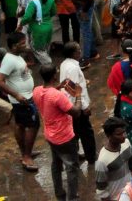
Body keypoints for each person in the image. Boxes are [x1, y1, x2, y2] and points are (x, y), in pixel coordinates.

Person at [33, 62, 84, 201]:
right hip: (64, 137)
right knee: (72, 167)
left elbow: (47, 94)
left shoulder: (37, 90)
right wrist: (78, 95)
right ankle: (72, 197)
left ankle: (59, 193)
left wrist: (59, 87)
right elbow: (76, 112)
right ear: (55, 76)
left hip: (50, 136)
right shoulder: (57, 96)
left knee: (56, 164)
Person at [0, 31, 39, 171]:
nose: (24, 45)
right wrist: (17, 95)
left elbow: (27, 66)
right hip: (22, 100)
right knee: (33, 125)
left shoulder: (17, 56)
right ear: (14, 46)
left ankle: (26, 152)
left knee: (20, 124)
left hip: (25, 98)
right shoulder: (9, 60)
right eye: (22, 43)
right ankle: (26, 157)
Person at [96, 117, 132, 200]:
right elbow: (101, 190)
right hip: (117, 197)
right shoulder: (102, 161)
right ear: (108, 136)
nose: (124, 136)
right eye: (119, 134)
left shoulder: (126, 143)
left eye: (124, 132)